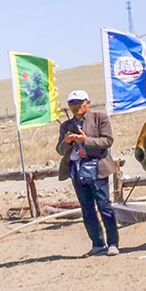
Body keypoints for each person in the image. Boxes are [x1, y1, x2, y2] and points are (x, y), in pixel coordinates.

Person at [57, 90, 119, 256]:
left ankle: (113, 243)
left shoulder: (100, 118)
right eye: (72, 104)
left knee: (104, 206)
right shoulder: (66, 126)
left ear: (87, 103)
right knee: (87, 208)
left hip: (97, 168)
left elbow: (107, 141)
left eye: (79, 103)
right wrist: (67, 142)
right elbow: (59, 150)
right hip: (77, 171)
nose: (76, 107)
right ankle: (97, 244)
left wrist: (86, 140)